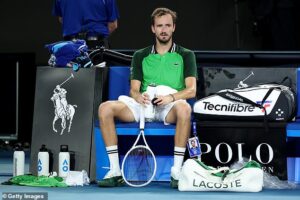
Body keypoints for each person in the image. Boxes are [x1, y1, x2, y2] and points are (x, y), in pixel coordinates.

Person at [97, 7, 197, 188]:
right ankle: (114, 171)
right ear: (153, 29)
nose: (164, 30)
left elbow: (191, 90)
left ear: (174, 27)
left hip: (169, 107)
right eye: (160, 26)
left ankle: (176, 171)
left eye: (167, 25)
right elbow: (133, 90)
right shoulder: (140, 55)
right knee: (105, 108)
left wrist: (171, 97)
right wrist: (139, 97)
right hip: (144, 106)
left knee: (185, 109)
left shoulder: (186, 55)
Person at [52, 0, 119, 48]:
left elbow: (62, 19)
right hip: (96, 45)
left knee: (73, 67)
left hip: (71, 45)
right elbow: (113, 25)